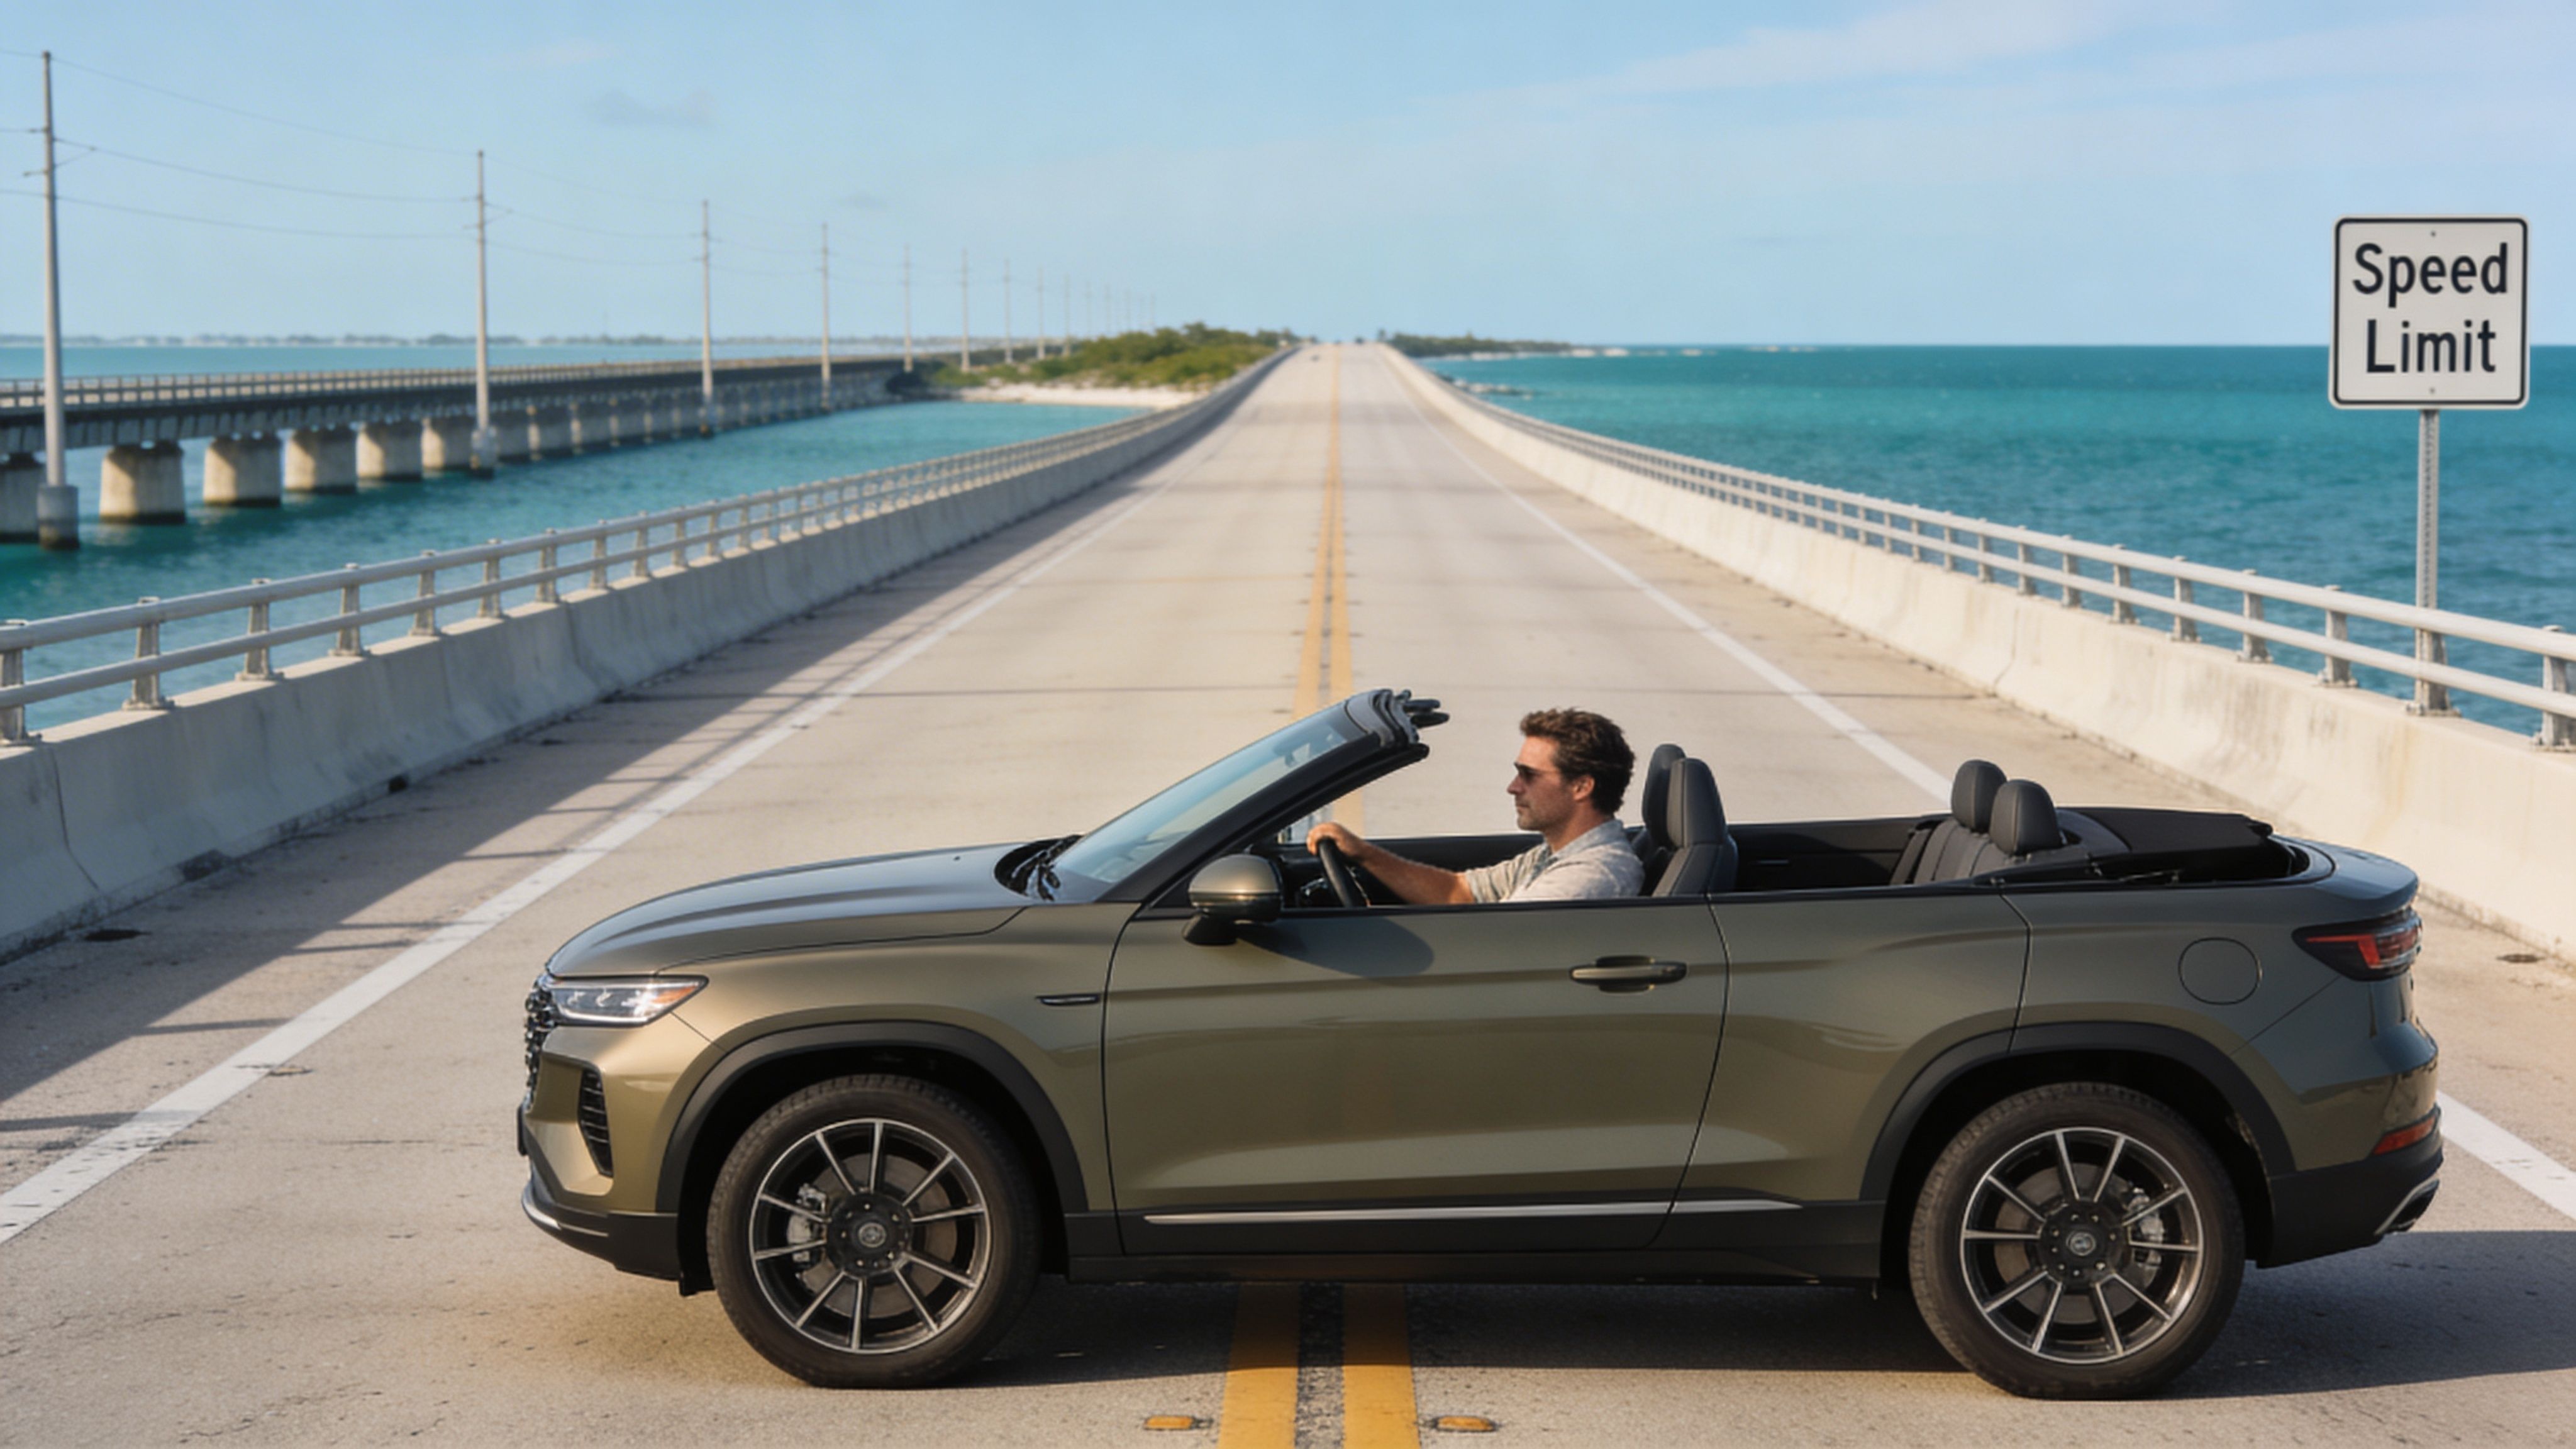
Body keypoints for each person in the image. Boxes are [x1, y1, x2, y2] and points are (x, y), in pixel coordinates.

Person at [1305, 708, 1642, 904]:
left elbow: (1492, 938)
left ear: (1582, 786)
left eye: (1529, 775)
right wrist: (1365, 854)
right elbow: (1459, 892)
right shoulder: (1554, 855)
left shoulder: (1592, 875)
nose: (1513, 788)